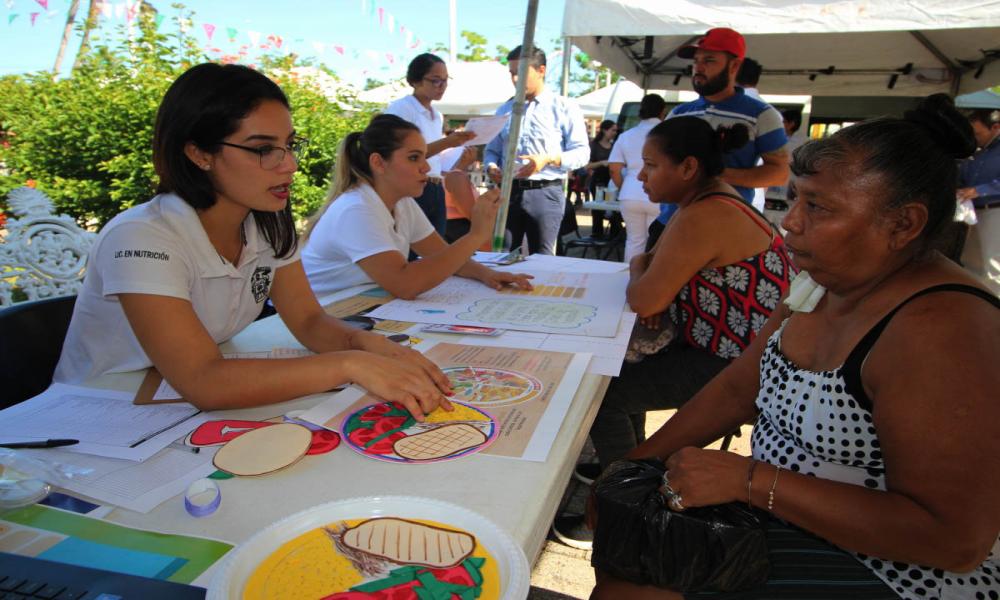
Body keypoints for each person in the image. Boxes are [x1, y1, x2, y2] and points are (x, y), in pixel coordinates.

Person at [589, 97, 1000, 600]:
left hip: (898, 573)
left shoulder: (945, 329)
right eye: (797, 200)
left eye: (819, 208)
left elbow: (954, 540)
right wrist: (629, 470)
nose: (791, 223)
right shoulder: (819, 286)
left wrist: (751, 480)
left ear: (903, 225)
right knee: (627, 556)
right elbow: (739, 387)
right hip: (785, 517)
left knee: (634, 589)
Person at [53, 63, 452, 420]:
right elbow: (203, 381)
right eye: (264, 149)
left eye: (289, 145)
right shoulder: (142, 236)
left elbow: (310, 320)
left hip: (177, 407)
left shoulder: (265, 225)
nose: (290, 165)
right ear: (199, 153)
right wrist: (351, 364)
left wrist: (365, 344)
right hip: (95, 418)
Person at [554, 116, 794, 548]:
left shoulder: (705, 214)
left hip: (737, 369)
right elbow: (652, 276)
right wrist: (651, 279)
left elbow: (645, 296)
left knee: (603, 391)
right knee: (626, 373)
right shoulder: (709, 204)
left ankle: (620, 504)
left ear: (687, 168)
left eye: (649, 165)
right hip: (732, 353)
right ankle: (635, 469)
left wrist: (644, 274)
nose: (640, 175)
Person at [302, 114, 532, 301]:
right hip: (321, 315)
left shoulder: (402, 203)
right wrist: (476, 235)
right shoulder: (356, 209)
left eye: (424, 157)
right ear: (378, 163)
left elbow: (443, 256)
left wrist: (488, 274)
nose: (425, 167)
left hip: (359, 307)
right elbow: (406, 285)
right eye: (414, 158)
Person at [646, 28, 788, 250]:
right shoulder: (679, 112)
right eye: (696, 61)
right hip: (670, 223)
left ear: (734, 66)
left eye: (709, 60)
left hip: (723, 229)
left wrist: (715, 174)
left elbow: (779, 173)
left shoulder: (761, 114)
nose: (699, 68)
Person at [484, 45, 590, 255]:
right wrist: (492, 167)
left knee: (543, 258)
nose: (515, 79)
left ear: (541, 71)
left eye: (521, 73)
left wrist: (548, 159)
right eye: (512, 73)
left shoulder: (564, 107)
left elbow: (582, 153)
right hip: (509, 192)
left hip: (546, 191)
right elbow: (491, 151)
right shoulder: (505, 109)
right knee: (502, 255)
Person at [384, 53, 476, 238]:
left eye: (445, 80)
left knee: (436, 247)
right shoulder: (401, 108)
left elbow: (435, 161)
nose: (441, 86)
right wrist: (447, 143)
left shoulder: (437, 115)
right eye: (435, 81)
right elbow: (400, 155)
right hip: (411, 188)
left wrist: (459, 157)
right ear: (415, 81)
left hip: (435, 186)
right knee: (410, 247)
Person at [608, 95, 666, 261]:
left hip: (630, 192)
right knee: (656, 242)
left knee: (634, 241)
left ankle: (629, 278)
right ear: (663, 111)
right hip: (659, 192)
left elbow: (614, 169)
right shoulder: (666, 134)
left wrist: (623, 187)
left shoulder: (626, 135)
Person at [958, 108, 1000, 295]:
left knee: (994, 265)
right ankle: (978, 303)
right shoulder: (978, 153)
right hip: (975, 212)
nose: (975, 138)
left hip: (996, 211)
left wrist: (979, 190)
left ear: (995, 128)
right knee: (972, 263)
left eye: (978, 133)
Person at [587, 120, 618, 238]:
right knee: (598, 209)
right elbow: (587, 166)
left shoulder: (614, 146)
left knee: (613, 207)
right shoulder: (594, 145)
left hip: (612, 181)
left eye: (616, 130)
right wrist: (601, 163)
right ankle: (597, 234)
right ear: (605, 130)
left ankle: (614, 234)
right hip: (598, 182)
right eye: (613, 130)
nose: (615, 133)